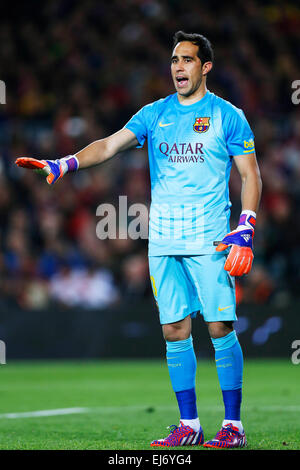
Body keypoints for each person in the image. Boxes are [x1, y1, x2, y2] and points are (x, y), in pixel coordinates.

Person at [16, 30, 262, 448]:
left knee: (220, 326)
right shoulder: (154, 113)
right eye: (173, 60)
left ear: (205, 67)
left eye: (186, 60)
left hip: (209, 237)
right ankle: (190, 424)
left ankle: (233, 427)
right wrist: (65, 164)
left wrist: (247, 224)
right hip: (163, 239)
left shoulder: (228, 115)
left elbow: (250, 174)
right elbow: (110, 145)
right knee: (173, 330)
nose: (178, 67)